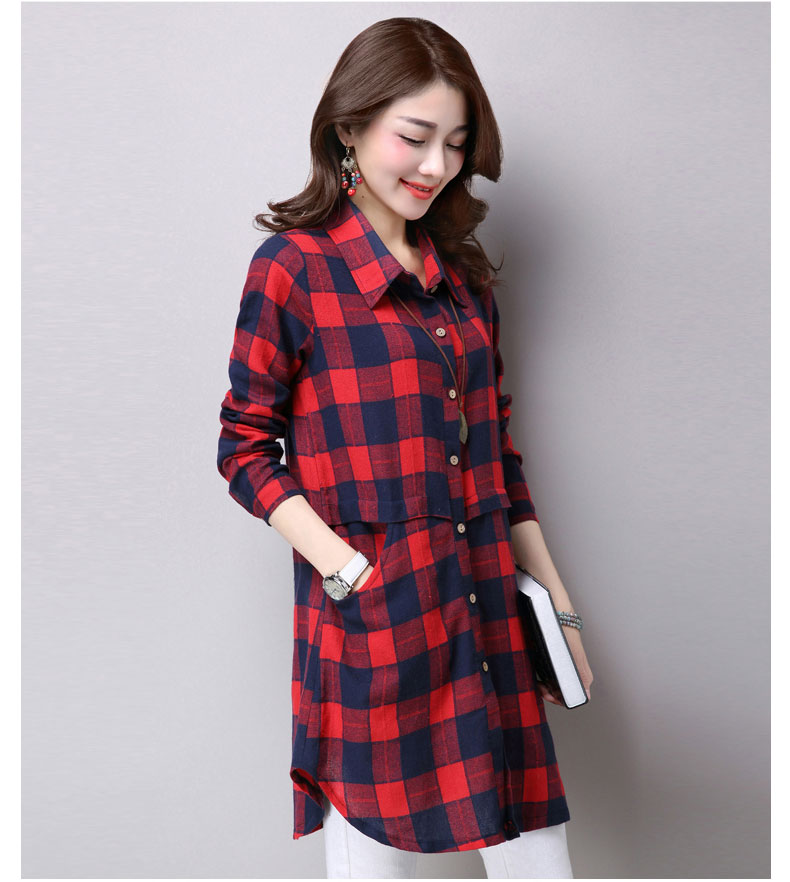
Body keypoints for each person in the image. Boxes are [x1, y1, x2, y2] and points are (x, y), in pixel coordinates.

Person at [217, 16, 593, 879]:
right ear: (349, 129)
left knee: (538, 858)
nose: (436, 165)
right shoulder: (294, 269)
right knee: (369, 862)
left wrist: (561, 612)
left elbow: (499, 459)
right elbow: (243, 447)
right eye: (415, 137)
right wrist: (351, 574)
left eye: (456, 144)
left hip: (486, 614)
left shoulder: (465, 283)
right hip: (372, 630)